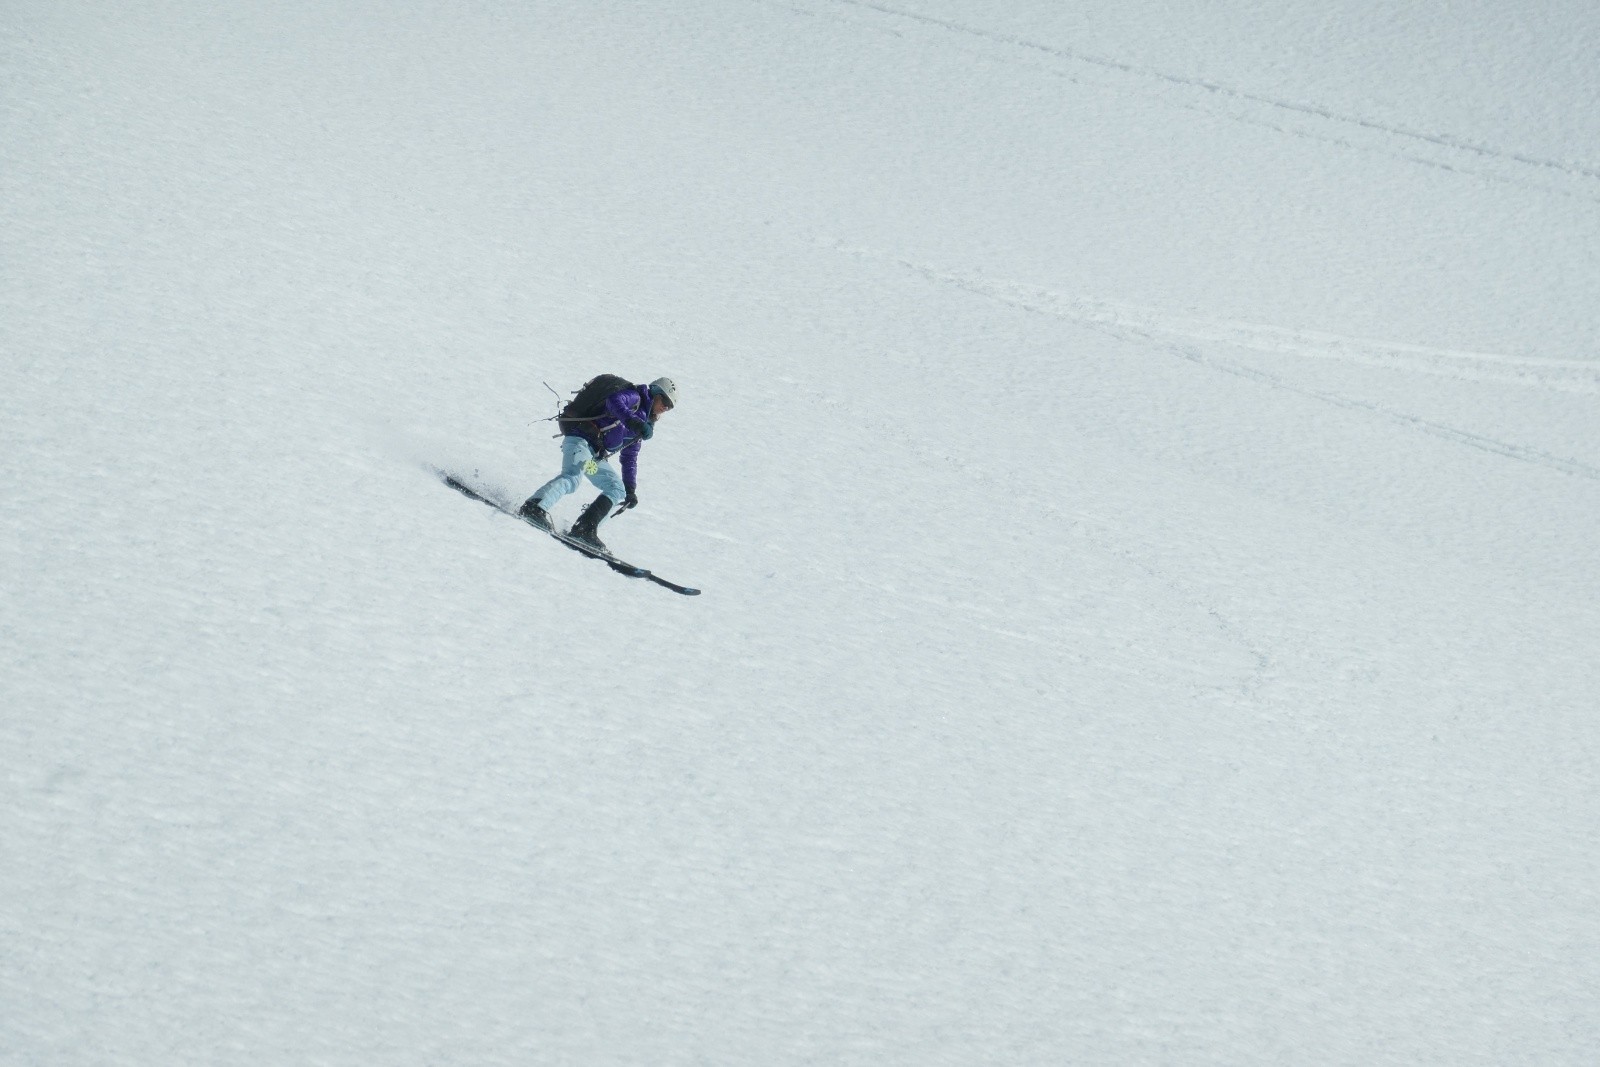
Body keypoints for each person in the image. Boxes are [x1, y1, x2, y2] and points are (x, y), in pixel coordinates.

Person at [519, 376, 678, 552]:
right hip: (579, 441)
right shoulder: (636, 397)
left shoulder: (643, 425)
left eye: (670, 406)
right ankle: (534, 507)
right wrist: (632, 421)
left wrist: (630, 489)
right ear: (655, 393)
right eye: (664, 400)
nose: (665, 407)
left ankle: (585, 528)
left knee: (616, 488)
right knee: (573, 477)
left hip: (592, 458)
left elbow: (629, 458)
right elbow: (614, 401)